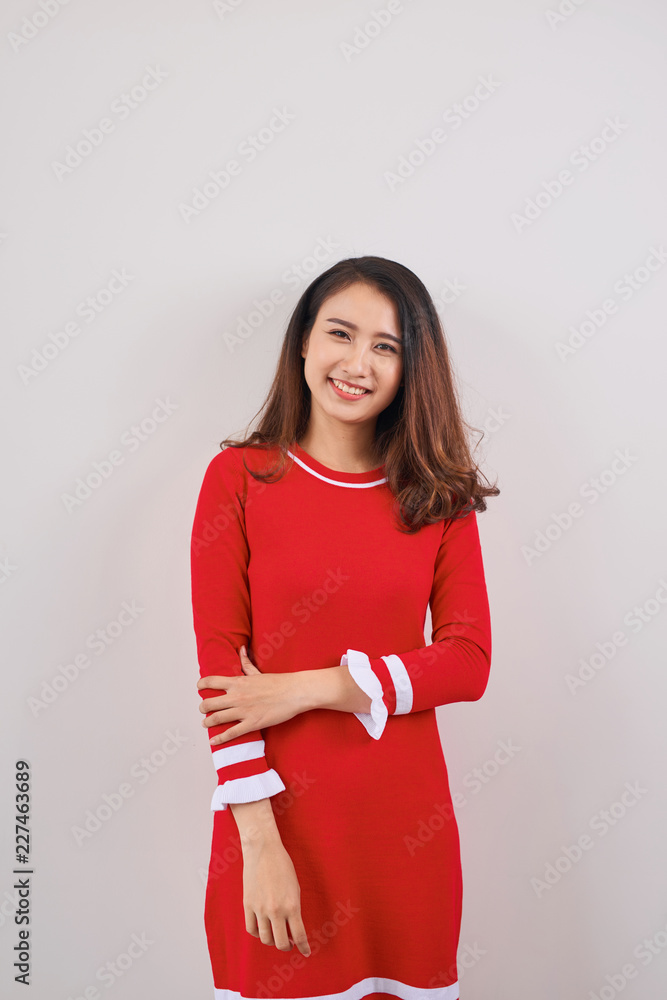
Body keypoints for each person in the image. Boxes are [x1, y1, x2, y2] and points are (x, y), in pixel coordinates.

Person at [190, 255, 499, 1000]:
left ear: (409, 367)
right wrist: (260, 848)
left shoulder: (438, 500)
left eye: (386, 346)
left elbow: (467, 661)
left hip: (405, 843)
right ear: (303, 342)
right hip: (275, 840)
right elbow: (221, 680)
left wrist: (304, 689)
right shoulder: (237, 480)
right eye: (340, 333)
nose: (357, 362)